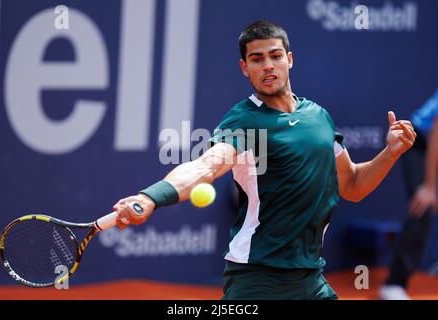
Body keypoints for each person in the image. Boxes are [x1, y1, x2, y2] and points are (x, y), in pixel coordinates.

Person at [113, 20, 416, 300]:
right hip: (258, 280)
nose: (268, 65)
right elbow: (205, 166)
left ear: (290, 59)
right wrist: (151, 197)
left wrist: (390, 153)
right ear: (245, 68)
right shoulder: (244, 121)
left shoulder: (318, 117)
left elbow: (352, 184)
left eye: (275, 56)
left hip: (310, 277)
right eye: (257, 59)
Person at [380, 88, 438, 300]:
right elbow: (436, 134)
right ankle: (394, 283)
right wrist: (430, 187)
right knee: (423, 206)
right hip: (418, 142)